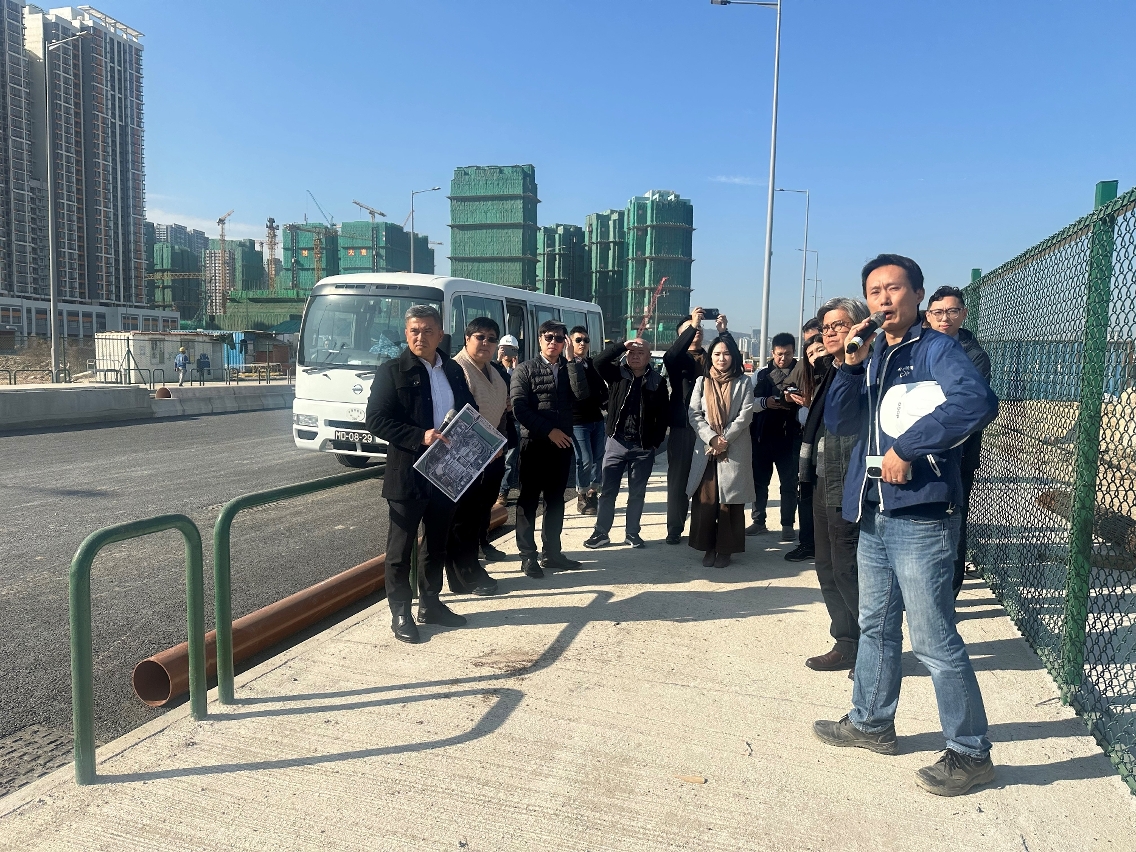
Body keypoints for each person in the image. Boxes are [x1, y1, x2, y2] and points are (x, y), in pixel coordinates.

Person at [813, 254, 999, 797]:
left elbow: (976, 402)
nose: (883, 299)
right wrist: (848, 366)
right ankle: (871, 722)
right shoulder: (873, 354)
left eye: (894, 289)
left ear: (917, 294)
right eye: (874, 292)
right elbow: (840, 420)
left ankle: (970, 752)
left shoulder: (938, 349)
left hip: (921, 512)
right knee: (875, 624)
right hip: (875, 508)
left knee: (934, 637)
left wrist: (909, 448)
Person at [365, 304, 477, 644]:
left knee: (437, 544)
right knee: (400, 550)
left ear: (440, 334)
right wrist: (420, 436)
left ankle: (431, 604)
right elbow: (376, 420)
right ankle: (401, 613)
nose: (420, 337)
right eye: (414, 330)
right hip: (408, 474)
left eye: (428, 330)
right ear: (406, 333)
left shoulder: (453, 370)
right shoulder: (392, 371)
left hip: (446, 474)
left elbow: (469, 409)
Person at [797, 298, 870, 672]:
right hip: (822, 479)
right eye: (825, 327)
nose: (828, 333)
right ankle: (846, 642)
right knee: (827, 568)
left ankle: (872, 649)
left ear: (858, 327)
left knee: (849, 571)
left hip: (849, 482)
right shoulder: (833, 369)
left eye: (838, 326)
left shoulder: (870, 369)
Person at [926, 286, 992, 596]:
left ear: (964, 314)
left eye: (952, 311)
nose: (945, 318)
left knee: (953, 524)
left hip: (959, 454)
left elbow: (967, 407)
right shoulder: (919, 348)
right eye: (938, 312)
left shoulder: (974, 356)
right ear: (928, 316)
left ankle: (949, 595)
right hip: (919, 452)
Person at [445, 317, 512, 597]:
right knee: (462, 520)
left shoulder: (496, 372)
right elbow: (458, 415)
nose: (486, 342)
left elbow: (504, 412)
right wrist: (487, 444)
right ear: (467, 339)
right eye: (480, 337)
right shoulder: (455, 369)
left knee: (477, 517)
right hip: (461, 457)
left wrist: (500, 443)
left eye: (491, 338)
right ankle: (465, 575)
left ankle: (471, 567)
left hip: (492, 457)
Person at [510, 320, 582, 578]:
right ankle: (527, 556)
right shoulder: (525, 369)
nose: (554, 342)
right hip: (534, 443)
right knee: (528, 501)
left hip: (561, 446)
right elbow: (519, 408)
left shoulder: (569, 367)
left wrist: (572, 362)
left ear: (565, 343)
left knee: (555, 501)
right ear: (540, 339)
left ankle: (552, 553)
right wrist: (549, 431)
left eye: (559, 338)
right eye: (549, 337)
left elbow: (581, 395)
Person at [583, 337, 669, 550]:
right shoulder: (617, 374)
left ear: (649, 357)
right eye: (632, 352)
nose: (635, 356)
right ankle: (601, 532)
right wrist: (622, 345)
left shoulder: (657, 381)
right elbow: (598, 362)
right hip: (616, 442)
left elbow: (663, 416)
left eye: (640, 353)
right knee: (607, 491)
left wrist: (655, 442)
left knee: (637, 493)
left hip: (643, 447)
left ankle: (632, 533)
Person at [686, 316, 755, 568]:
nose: (721, 358)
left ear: (733, 357)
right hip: (707, 449)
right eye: (716, 354)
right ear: (710, 357)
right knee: (706, 501)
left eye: (726, 354)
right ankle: (707, 547)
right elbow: (694, 414)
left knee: (730, 501)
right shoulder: (701, 382)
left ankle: (726, 549)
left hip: (733, 448)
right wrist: (712, 438)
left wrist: (725, 439)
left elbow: (745, 415)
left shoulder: (744, 382)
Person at [779, 333, 828, 563]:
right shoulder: (808, 375)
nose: (815, 357)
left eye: (820, 350)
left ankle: (825, 546)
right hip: (808, 444)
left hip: (830, 444)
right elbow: (786, 390)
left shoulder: (840, 373)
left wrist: (812, 403)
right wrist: (791, 396)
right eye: (810, 354)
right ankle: (807, 543)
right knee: (806, 494)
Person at [748, 333, 801, 541]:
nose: (783, 358)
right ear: (772, 352)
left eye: (787, 354)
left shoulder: (801, 372)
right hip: (762, 436)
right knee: (759, 482)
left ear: (794, 352)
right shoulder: (761, 374)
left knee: (789, 484)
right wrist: (765, 403)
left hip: (789, 438)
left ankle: (787, 524)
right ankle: (758, 521)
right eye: (779, 354)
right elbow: (746, 403)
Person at [662, 307, 708, 544]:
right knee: (678, 479)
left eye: (699, 327)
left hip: (710, 426)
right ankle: (674, 528)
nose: (696, 330)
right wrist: (693, 325)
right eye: (690, 328)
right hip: (683, 426)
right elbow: (671, 355)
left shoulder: (712, 357)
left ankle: (702, 527)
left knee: (707, 481)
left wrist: (724, 333)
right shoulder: (678, 359)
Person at [567, 326, 608, 515]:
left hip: (596, 419)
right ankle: (582, 495)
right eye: (578, 340)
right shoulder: (565, 365)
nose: (582, 343)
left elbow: (602, 390)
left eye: (586, 340)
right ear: (570, 342)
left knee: (598, 458)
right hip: (577, 421)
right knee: (584, 459)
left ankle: (593, 493)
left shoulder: (592, 364)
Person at [495, 335, 521, 508]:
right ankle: (493, 489)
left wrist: (516, 370)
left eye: (512, 349)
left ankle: (502, 492)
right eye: (504, 348)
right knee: (495, 458)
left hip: (513, 419)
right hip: (497, 418)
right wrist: (497, 361)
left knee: (509, 459)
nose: (507, 353)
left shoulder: (520, 370)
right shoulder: (493, 369)